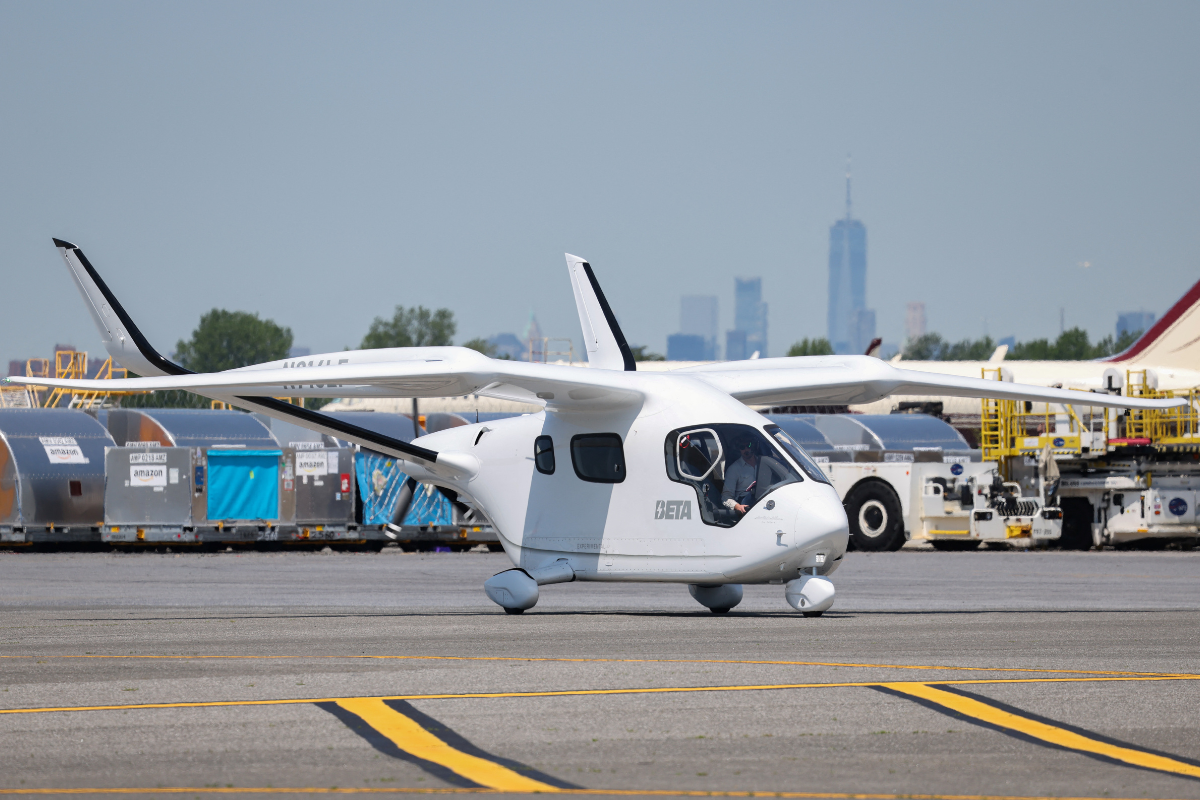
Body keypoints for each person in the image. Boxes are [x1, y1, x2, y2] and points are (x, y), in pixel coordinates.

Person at [721, 437, 759, 514]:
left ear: (753, 446)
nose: (746, 449)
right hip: (746, 505)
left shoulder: (764, 463)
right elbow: (726, 497)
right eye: (742, 447)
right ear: (739, 449)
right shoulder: (734, 469)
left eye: (748, 445)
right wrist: (737, 507)